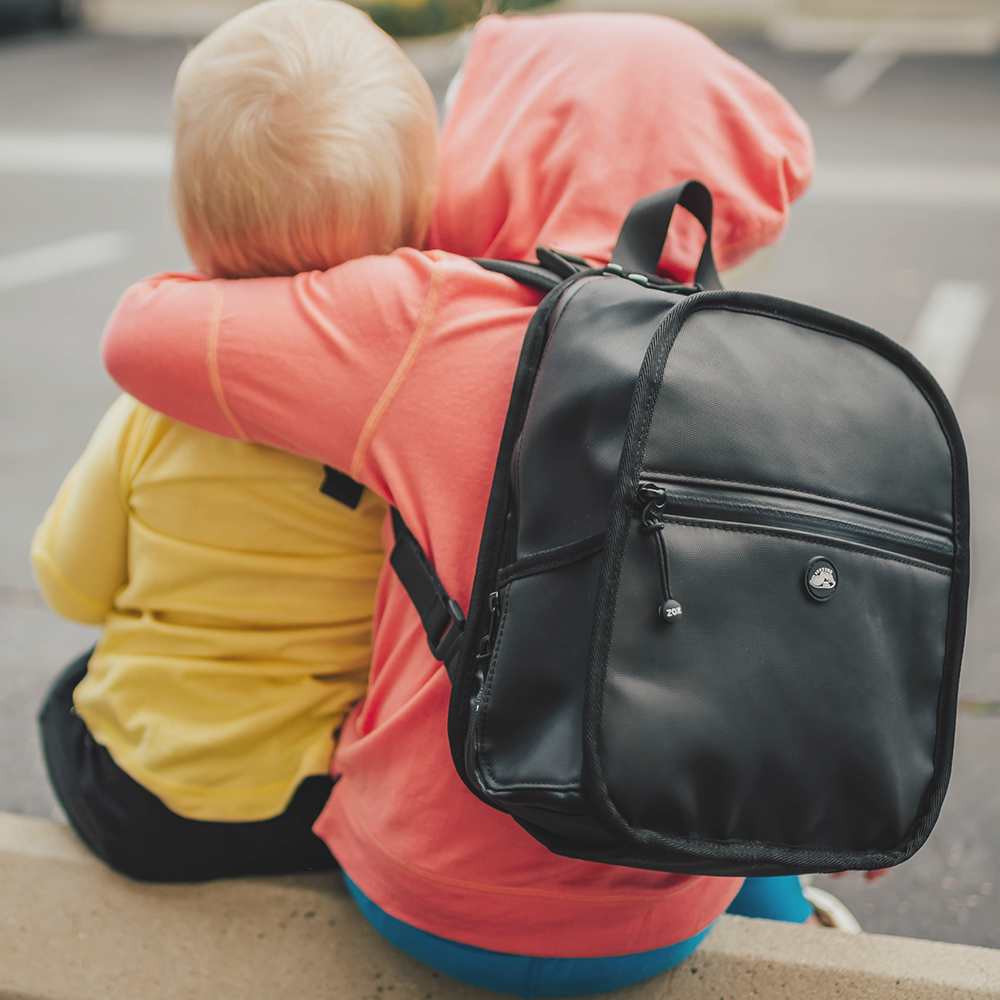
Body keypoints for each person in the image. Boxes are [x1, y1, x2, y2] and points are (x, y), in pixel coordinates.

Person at [101, 10, 827, 993]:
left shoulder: (431, 316)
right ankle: (804, 920)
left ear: (502, 142)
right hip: (663, 919)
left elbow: (141, 335)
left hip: (429, 896)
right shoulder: (759, 368)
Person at [31, 0, 438, 883]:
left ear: (190, 216)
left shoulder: (156, 408)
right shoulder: (399, 426)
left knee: (69, 692)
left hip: (139, 799)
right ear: (414, 222)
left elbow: (68, 583)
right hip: (311, 806)